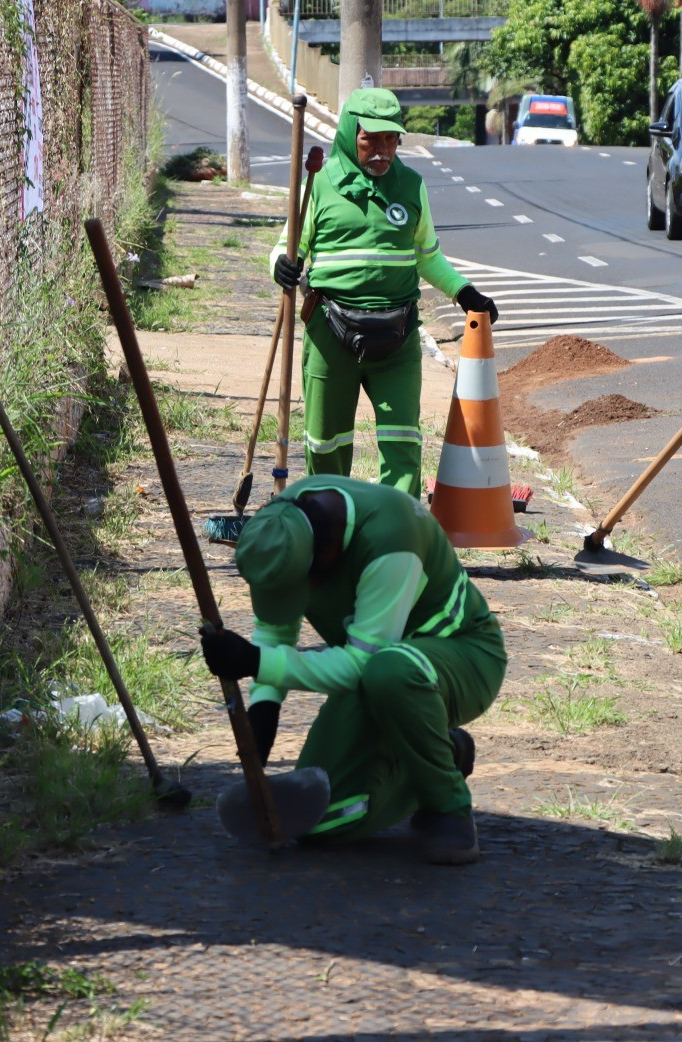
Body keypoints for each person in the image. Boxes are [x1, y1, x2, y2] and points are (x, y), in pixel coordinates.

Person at [198, 475, 508, 864]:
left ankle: (448, 803)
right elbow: (275, 630)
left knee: (389, 670)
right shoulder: (279, 527)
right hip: (376, 678)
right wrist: (264, 711)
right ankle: (441, 748)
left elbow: (360, 664)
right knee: (321, 819)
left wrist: (254, 662)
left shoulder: (390, 539)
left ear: (325, 553)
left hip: (460, 660)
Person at [271, 87, 497, 497]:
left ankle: (399, 533)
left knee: (403, 441)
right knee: (326, 443)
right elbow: (286, 247)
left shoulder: (410, 186)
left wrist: (464, 292)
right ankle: (330, 525)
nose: (382, 150)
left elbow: (428, 257)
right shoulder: (318, 185)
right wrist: (281, 266)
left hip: (397, 336)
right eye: (370, 140)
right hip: (330, 333)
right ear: (348, 136)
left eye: (390, 139)